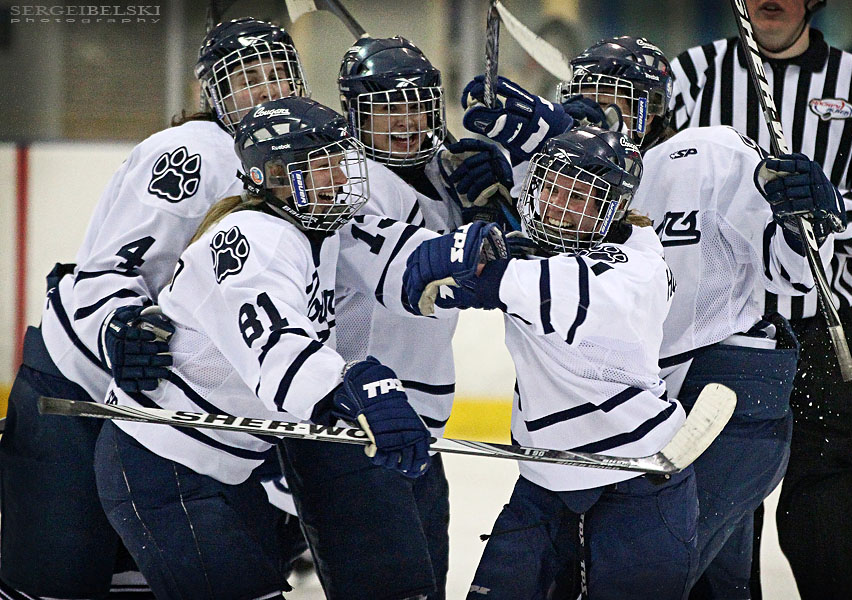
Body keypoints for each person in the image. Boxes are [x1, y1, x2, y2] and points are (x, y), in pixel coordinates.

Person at [458, 33, 845, 599]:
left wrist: (800, 221)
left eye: (624, 100)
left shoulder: (712, 154)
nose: (607, 113)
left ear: (661, 109)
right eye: (590, 98)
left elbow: (797, 274)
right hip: (633, 406)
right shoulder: (562, 170)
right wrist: (498, 192)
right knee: (713, 586)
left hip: (729, 387)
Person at [0, 17, 308, 599]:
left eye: (279, 75)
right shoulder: (194, 153)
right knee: (55, 587)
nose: (267, 90)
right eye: (248, 78)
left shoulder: (304, 160)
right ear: (212, 92)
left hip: (169, 415)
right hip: (81, 391)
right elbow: (106, 270)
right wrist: (121, 330)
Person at [93, 96, 433, 599]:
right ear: (268, 177)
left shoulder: (314, 229)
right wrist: (352, 391)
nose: (338, 178)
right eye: (319, 167)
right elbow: (279, 353)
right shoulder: (253, 240)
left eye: (339, 162)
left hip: (227, 468)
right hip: (165, 469)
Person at [405, 126, 699, 600]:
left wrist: (477, 262)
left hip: (634, 483)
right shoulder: (553, 248)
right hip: (543, 481)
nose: (559, 205)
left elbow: (550, 284)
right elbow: (533, 256)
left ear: (614, 210)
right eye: (552, 188)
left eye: (581, 197)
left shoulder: (634, 269)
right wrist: (492, 216)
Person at [671, 1, 852, 597]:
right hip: (718, 338)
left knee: (827, 498)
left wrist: (829, 213)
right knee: (717, 507)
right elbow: (644, 179)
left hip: (821, 330)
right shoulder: (692, 74)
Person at [278, 36, 511, 600]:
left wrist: (496, 192)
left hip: (418, 426)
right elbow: (430, 282)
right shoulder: (341, 182)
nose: (406, 121)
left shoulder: (440, 170)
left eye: (417, 104)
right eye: (385, 107)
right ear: (354, 113)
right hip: (353, 422)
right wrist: (495, 239)